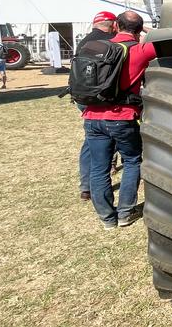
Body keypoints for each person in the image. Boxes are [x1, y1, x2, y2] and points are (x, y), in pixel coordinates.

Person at [82, 7, 172, 230]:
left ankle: (107, 218)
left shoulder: (95, 48)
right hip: (122, 117)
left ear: (116, 26)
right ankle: (125, 213)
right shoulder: (139, 50)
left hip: (91, 116)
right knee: (132, 161)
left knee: (99, 168)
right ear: (139, 30)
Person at [74, 11, 118, 201]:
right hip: (104, 97)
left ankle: (86, 187)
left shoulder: (84, 41)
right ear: (112, 23)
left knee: (90, 140)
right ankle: (103, 176)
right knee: (111, 136)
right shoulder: (112, 40)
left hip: (82, 97)